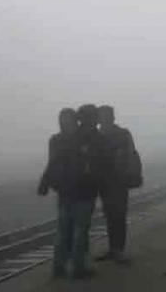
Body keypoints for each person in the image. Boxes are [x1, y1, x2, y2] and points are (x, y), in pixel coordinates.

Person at [38, 105, 103, 280]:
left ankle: (59, 268)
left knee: (63, 231)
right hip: (83, 191)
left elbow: (52, 163)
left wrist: (44, 183)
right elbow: (93, 165)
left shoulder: (56, 139)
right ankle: (78, 268)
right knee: (79, 231)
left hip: (64, 192)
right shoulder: (84, 139)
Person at [96, 105, 137, 264]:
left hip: (120, 180)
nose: (104, 119)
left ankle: (118, 249)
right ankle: (113, 249)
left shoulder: (122, 134)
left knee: (119, 215)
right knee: (109, 215)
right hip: (104, 181)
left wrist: (131, 174)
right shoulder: (97, 136)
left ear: (112, 117)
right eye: (102, 116)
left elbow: (131, 154)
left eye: (106, 116)